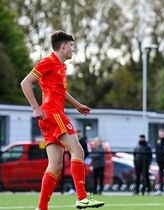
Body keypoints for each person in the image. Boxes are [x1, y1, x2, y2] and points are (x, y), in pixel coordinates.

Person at [20, 30, 104, 210]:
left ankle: (41, 208)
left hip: (48, 117)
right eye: (71, 46)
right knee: (78, 151)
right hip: (53, 113)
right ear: (63, 46)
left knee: (55, 165)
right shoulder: (47, 62)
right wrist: (36, 107)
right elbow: (25, 83)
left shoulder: (61, 66)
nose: (73, 49)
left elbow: (60, 91)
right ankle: (81, 197)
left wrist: (77, 105)